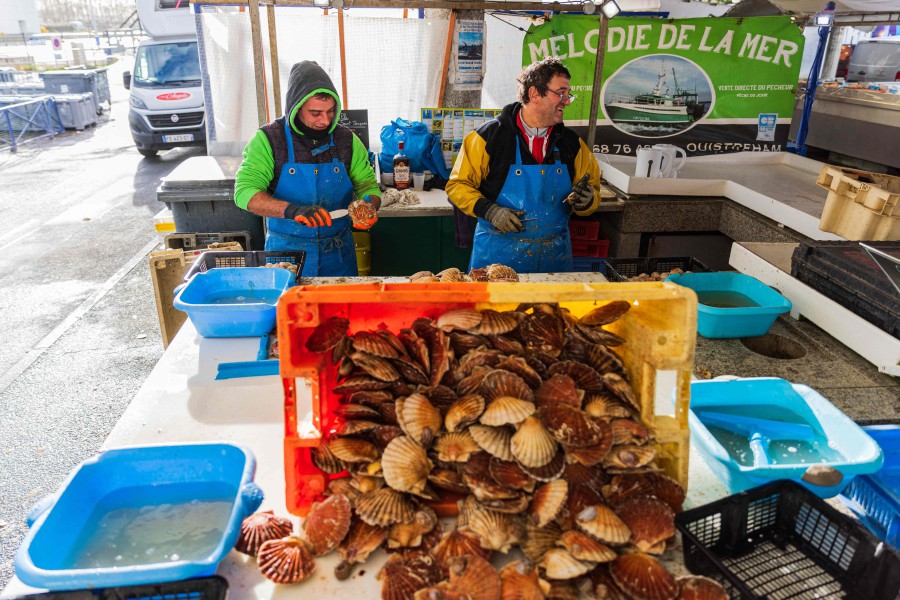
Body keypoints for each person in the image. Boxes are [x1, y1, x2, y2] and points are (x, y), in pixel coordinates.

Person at [446, 57, 602, 273]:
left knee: (552, 309)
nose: (566, 101)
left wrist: (587, 201)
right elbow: (457, 186)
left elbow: (592, 187)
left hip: (554, 260)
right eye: (561, 93)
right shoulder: (487, 138)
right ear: (534, 93)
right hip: (496, 259)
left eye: (568, 95)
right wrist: (489, 211)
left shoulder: (573, 144)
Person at [234, 61, 380, 277]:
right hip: (286, 256)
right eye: (315, 113)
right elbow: (244, 193)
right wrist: (293, 210)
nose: (325, 120)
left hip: (338, 253)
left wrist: (368, 206)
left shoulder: (347, 140)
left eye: (331, 112)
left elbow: (368, 184)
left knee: (340, 311)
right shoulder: (268, 140)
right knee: (292, 311)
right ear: (296, 107)